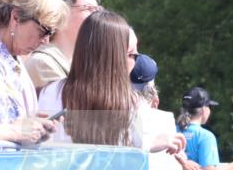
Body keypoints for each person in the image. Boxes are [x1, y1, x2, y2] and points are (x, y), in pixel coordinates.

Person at [37, 11, 181, 155]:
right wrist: (149, 144)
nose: (136, 61)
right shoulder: (131, 104)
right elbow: (122, 162)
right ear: (110, 58)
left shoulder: (49, 93)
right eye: (131, 54)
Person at [0, 0, 65, 145]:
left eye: (51, 34)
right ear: (16, 17)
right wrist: (15, 131)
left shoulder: (13, 63)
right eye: (44, 30)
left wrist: (32, 126)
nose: (46, 40)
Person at [25, 0, 100, 91]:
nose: (97, 16)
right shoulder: (42, 63)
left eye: (97, 10)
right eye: (88, 8)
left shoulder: (86, 63)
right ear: (62, 13)